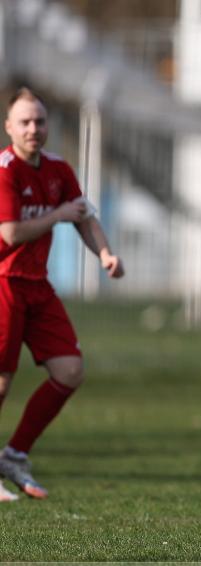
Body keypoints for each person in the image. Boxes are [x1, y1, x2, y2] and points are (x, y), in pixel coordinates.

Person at [0, 87, 124, 501]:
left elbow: (83, 216)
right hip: (2, 283)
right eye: (25, 122)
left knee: (70, 371)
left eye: (39, 121)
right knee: (1, 383)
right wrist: (57, 215)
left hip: (37, 286)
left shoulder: (58, 169)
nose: (33, 128)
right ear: (9, 128)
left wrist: (105, 252)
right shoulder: (5, 171)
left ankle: (14, 455)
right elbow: (11, 233)